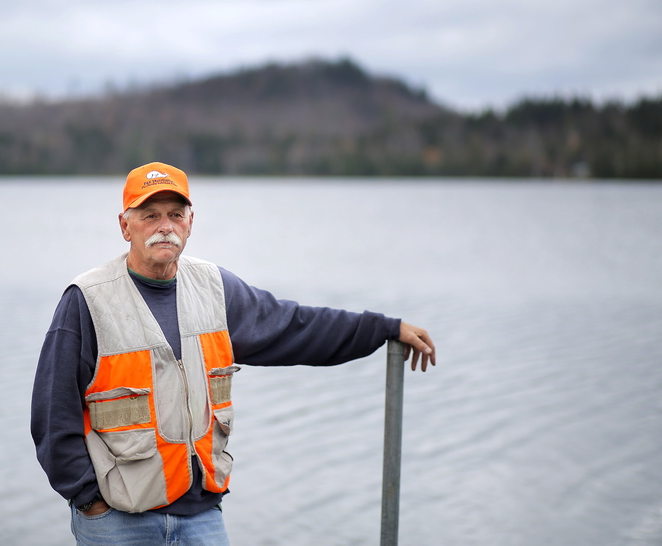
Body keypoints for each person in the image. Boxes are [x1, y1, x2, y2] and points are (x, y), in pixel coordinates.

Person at [31, 162, 436, 546]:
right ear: (125, 225)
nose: (164, 226)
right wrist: (88, 499)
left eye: (175, 213)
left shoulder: (215, 289)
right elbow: (53, 414)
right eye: (149, 215)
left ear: (191, 222)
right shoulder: (87, 300)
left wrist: (385, 328)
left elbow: (296, 326)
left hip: (201, 517)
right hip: (117, 520)